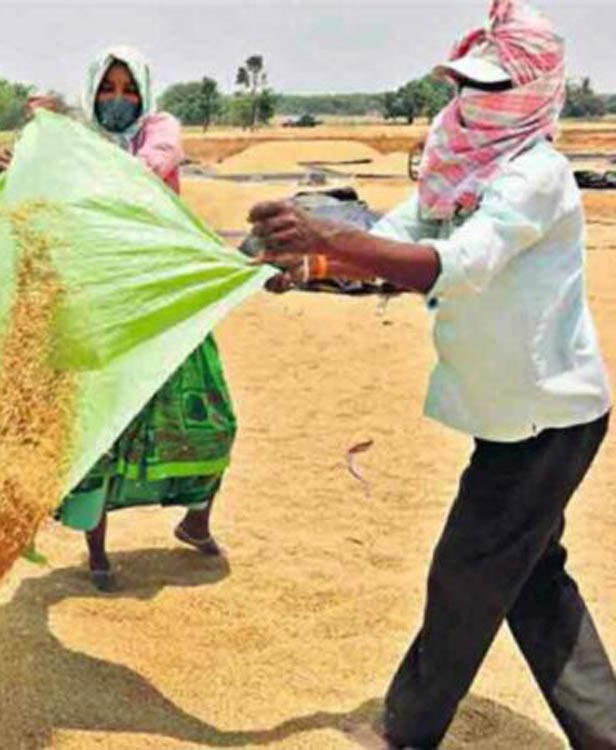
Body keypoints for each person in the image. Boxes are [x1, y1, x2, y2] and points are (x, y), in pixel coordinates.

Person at [248, 3, 616, 748]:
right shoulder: (458, 168)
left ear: (537, 91)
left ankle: (406, 730)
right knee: (532, 577)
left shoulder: (534, 175)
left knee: (467, 572)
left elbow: (459, 265)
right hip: (510, 413)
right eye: (467, 87)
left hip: (547, 418)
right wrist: (310, 265)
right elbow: (395, 241)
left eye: (494, 88)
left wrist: (327, 235)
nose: (475, 104)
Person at [44, 46, 236, 592]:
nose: (119, 100)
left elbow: (156, 162)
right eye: (108, 89)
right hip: (99, 306)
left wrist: (75, 156)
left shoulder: (160, 130)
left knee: (213, 419)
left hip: (164, 302)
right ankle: (98, 554)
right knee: (102, 431)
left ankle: (194, 520)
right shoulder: (75, 145)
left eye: (129, 90)